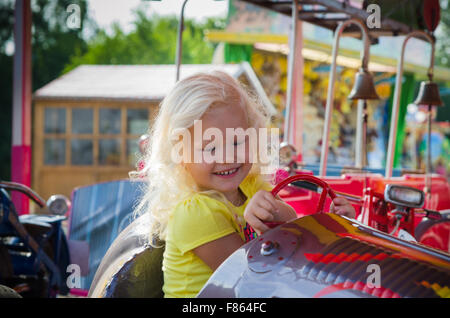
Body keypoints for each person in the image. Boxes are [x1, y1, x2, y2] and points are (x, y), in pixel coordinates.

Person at [133, 71, 355, 298]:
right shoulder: (195, 214)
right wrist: (264, 232)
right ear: (180, 153)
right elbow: (254, 282)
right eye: (211, 148)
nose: (228, 157)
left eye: (237, 141)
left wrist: (331, 227)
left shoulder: (251, 187)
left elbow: (296, 234)